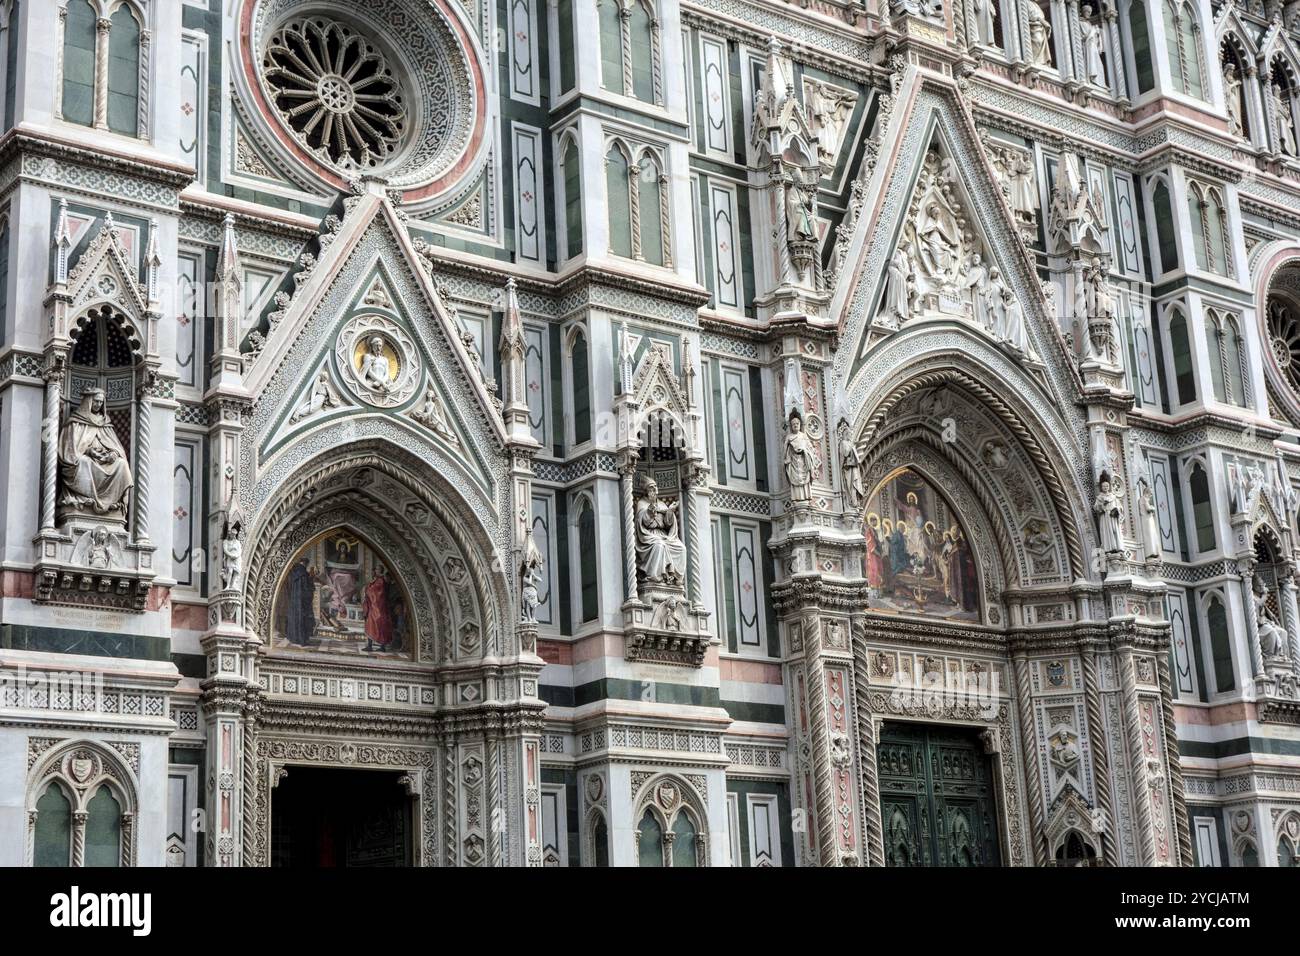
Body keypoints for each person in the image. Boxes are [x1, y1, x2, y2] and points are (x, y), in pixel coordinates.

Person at [58, 387, 133, 519]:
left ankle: (117, 504)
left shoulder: (105, 422)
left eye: (101, 402)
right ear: (88, 401)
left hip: (104, 461)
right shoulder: (76, 422)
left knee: (121, 464)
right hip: (87, 460)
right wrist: (88, 451)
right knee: (83, 461)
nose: (98, 405)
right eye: (96, 401)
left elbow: (116, 446)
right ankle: (86, 500)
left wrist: (114, 453)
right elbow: (69, 449)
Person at [635, 479, 688, 585]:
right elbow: (643, 522)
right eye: (651, 487)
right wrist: (650, 510)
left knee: (681, 548)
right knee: (659, 545)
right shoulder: (642, 503)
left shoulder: (662, 504)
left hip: (663, 535)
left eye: (655, 487)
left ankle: (676, 578)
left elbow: (668, 524)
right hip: (649, 535)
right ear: (646, 491)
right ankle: (655, 576)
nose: (654, 489)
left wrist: (670, 512)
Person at [784, 412, 820, 504]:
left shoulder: (803, 436)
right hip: (793, 462)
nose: (795, 425)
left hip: (803, 461)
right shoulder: (789, 437)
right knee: (794, 479)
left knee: (805, 479)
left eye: (797, 424)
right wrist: (787, 457)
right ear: (791, 426)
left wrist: (806, 452)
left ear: (800, 424)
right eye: (793, 424)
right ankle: (796, 497)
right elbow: (785, 450)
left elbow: (810, 448)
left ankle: (806, 496)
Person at [361, 565, 395, 652]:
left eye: (377, 569)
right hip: (373, 607)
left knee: (379, 626)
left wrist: (367, 589)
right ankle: (370, 646)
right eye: (375, 569)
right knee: (370, 625)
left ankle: (381, 647)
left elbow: (377, 593)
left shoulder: (380, 580)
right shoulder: (376, 580)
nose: (376, 571)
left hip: (378, 607)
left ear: (380, 571)